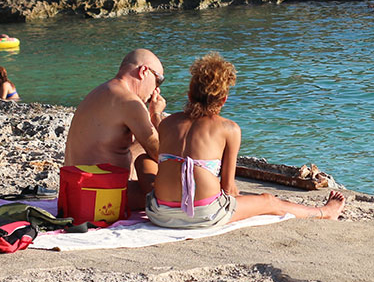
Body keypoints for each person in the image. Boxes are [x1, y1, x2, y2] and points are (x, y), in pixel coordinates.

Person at [147, 53, 345, 229]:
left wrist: (155, 111)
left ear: (189, 95)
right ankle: (324, 213)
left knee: (149, 164)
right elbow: (228, 188)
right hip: (204, 214)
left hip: (160, 213)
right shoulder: (229, 129)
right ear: (223, 100)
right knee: (269, 201)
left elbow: (161, 126)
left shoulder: (167, 124)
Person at [63, 49, 167, 208]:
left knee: (140, 146)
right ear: (143, 71)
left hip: (72, 191)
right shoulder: (129, 101)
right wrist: (156, 115)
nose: (156, 90)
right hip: (96, 197)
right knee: (170, 196)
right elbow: (160, 153)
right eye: (158, 80)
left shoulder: (102, 90)